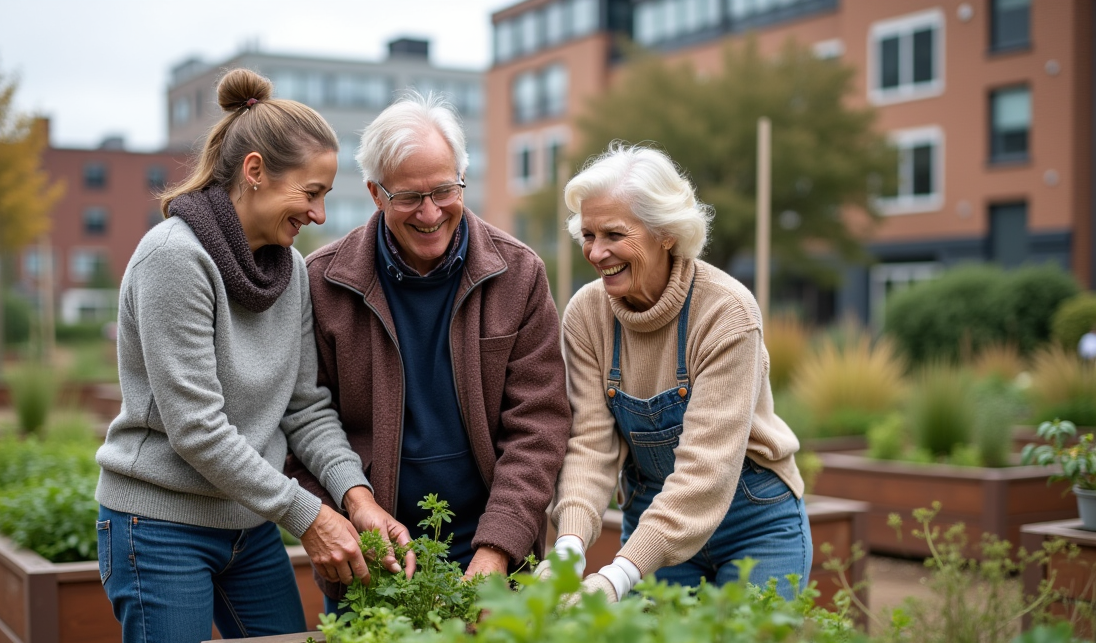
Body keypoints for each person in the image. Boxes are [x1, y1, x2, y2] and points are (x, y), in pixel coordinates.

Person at [94, 69, 411, 643]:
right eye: (313, 192)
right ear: (255, 171)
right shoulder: (175, 257)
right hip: (159, 526)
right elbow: (197, 428)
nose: (322, 214)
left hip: (247, 530)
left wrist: (355, 498)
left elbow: (305, 407)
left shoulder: (288, 271)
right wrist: (310, 516)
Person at [296, 92, 570, 603]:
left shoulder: (518, 274)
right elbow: (301, 422)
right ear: (376, 194)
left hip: (496, 550)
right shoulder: (322, 284)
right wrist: (343, 519)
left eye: (444, 190)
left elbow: (539, 425)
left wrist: (497, 550)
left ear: (463, 177)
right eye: (408, 197)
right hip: (375, 555)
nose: (429, 213)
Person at [544, 143, 811, 603]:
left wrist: (617, 577)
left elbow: (707, 469)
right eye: (588, 235)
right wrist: (568, 551)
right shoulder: (586, 314)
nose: (596, 252)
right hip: (653, 513)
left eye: (613, 234)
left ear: (666, 233)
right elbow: (590, 444)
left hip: (754, 520)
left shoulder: (726, 313)